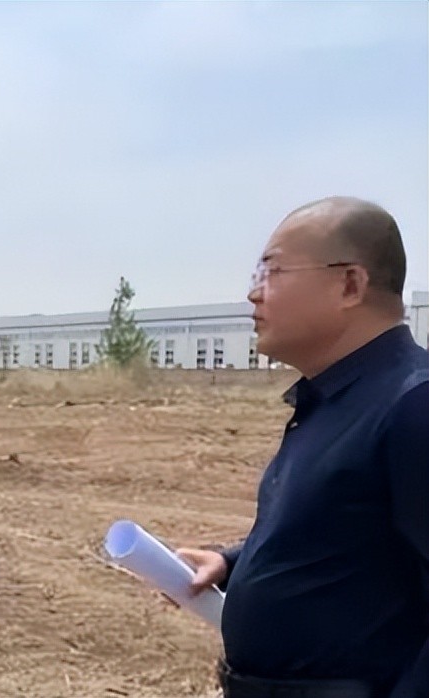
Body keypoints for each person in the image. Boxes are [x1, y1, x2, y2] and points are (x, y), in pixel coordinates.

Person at [176, 197, 427, 698]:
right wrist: (231, 563)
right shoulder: (335, 399)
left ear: (350, 284)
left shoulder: (413, 405)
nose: (253, 292)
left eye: (272, 271)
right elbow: (347, 529)